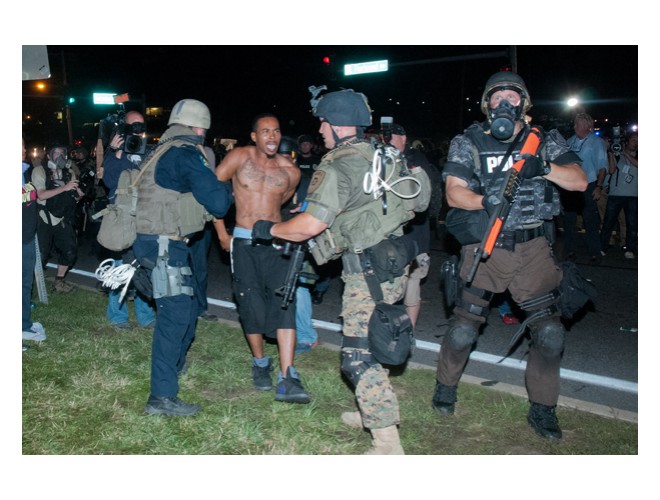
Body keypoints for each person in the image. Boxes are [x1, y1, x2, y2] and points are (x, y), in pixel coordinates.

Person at [250, 88, 416, 454]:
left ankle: (387, 445)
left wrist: (270, 228)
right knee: (374, 341)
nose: (320, 130)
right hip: (393, 261)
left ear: (337, 125)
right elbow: (413, 201)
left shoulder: (339, 163)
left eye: (323, 122)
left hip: (367, 269)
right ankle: (371, 410)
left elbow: (310, 225)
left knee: (357, 357)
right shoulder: (384, 154)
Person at [433, 71, 587, 440]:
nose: (505, 102)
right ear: (487, 103)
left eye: (512, 96)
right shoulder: (467, 140)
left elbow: (580, 181)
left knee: (550, 334)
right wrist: (488, 201)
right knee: (461, 332)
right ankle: (445, 388)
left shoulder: (544, 139)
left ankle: (543, 410)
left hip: (533, 250)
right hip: (487, 247)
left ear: (524, 102)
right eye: (497, 96)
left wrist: (545, 167)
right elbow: (454, 193)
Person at [132, 99, 232, 417]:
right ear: (200, 127)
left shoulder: (159, 151)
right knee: (174, 317)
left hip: (152, 242)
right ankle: (161, 397)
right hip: (164, 245)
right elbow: (218, 203)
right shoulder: (186, 153)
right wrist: (227, 183)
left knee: (185, 310)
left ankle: (174, 366)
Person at [214, 113, 310, 404]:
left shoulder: (290, 170)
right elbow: (212, 194)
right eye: (265, 131)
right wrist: (222, 234)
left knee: (285, 301)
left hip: (277, 243)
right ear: (254, 136)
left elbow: (282, 201)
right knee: (250, 303)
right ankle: (260, 364)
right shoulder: (238, 157)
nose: (272, 136)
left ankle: (287, 374)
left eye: (276, 131)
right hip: (243, 242)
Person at [100, 111, 156, 330]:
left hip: (144, 215)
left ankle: (145, 316)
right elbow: (109, 180)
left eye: (141, 125)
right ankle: (117, 316)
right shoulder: (115, 152)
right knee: (119, 267)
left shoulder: (148, 151)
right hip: (122, 216)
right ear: (124, 127)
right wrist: (114, 151)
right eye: (133, 125)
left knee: (144, 264)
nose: (137, 130)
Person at [386, 123, 440, 327]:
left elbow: (422, 197)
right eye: (387, 137)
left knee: (413, 283)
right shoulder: (382, 159)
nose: (389, 141)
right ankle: (384, 330)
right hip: (392, 235)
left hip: (415, 234)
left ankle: (409, 331)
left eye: (393, 136)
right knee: (386, 284)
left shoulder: (416, 158)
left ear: (403, 137)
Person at [278, 136, 319, 354]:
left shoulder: (304, 180)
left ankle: (306, 335)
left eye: (286, 156)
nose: (282, 161)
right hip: (276, 236)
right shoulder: (273, 176)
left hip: (299, 239)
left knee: (299, 287)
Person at [31, 145, 83, 292]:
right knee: (41, 254)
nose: (59, 156)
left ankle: (59, 281)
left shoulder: (70, 172)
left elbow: (73, 196)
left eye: (62, 153)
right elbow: (40, 195)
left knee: (70, 250)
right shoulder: (40, 170)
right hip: (44, 216)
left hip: (62, 217)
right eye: (56, 153)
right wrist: (64, 188)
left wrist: (77, 195)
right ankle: (29, 283)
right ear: (49, 156)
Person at [563, 112, 608, 261]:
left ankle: (594, 251)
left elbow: (602, 166)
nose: (575, 126)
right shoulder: (570, 141)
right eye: (575, 123)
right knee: (569, 220)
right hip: (570, 186)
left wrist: (599, 187)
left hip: (588, 185)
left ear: (588, 126)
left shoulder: (596, 142)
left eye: (579, 123)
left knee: (590, 220)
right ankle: (568, 250)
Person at [22, 137, 49, 348]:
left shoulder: (23, 173)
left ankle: (23, 324)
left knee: (24, 284)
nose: (24, 149)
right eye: (20, 146)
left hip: (27, 238)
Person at [600, 131, 638, 259]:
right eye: (633, 139)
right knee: (608, 222)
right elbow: (611, 170)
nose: (636, 142)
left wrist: (625, 154)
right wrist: (611, 152)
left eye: (638, 140)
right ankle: (603, 247)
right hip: (615, 194)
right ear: (627, 141)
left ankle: (630, 249)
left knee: (632, 224)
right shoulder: (618, 154)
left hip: (633, 195)